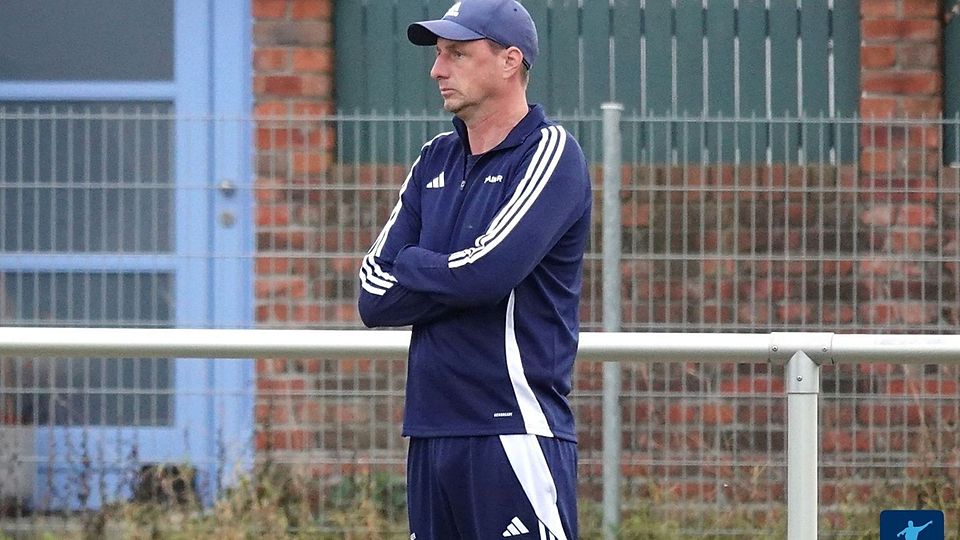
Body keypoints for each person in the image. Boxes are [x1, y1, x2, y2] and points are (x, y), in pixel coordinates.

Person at [357, 1, 591, 538]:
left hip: (512, 430)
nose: (437, 70)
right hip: (429, 432)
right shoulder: (434, 158)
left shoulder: (551, 152)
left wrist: (413, 263)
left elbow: (488, 274)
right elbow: (373, 296)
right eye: (439, 54)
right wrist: (455, 274)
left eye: (457, 54)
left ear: (510, 61)